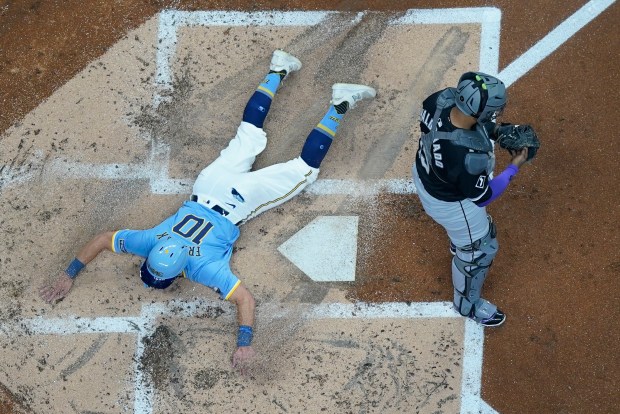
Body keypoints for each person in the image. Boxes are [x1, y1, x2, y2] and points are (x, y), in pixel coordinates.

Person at [40, 50, 376, 366]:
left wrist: (244, 344)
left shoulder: (201, 270)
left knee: (305, 170)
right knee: (248, 132)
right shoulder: (148, 242)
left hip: (238, 201)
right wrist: (69, 273)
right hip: (208, 183)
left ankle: (340, 103)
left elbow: (246, 299)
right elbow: (102, 239)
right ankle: (278, 68)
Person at [413, 71, 530, 327]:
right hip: (452, 205)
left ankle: (460, 242)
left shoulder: (437, 100)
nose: (495, 114)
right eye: (493, 111)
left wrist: (497, 131)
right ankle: (467, 304)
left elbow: (461, 123)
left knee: (467, 237)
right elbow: (484, 196)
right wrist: (514, 166)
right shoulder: (467, 158)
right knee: (480, 250)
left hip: (423, 175)